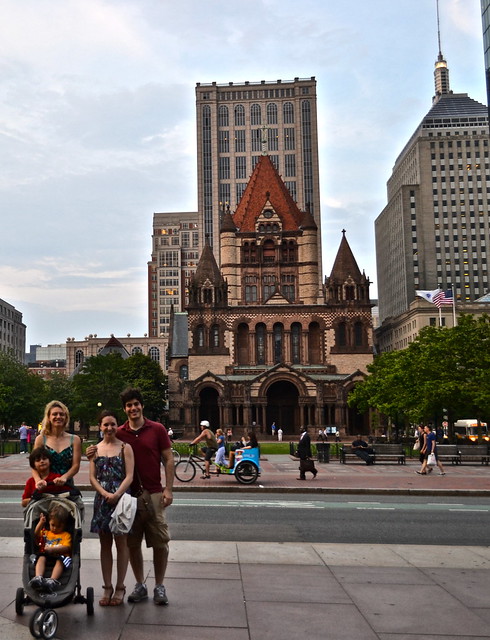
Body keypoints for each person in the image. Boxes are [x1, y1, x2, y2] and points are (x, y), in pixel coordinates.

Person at [89, 411, 135, 607]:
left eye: (113, 424)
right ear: (100, 426)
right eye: (106, 424)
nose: (109, 428)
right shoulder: (94, 450)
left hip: (121, 499)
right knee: (105, 544)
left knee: (121, 543)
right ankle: (107, 586)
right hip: (102, 499)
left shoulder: (125, 448)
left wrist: (116, 495)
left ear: (118, 426)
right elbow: (92, 477)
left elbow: (129, 476)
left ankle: (120, 586)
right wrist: (105, 494)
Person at [32, 401, 82, 490]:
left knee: (76, 504)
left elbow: (76, 466)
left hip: (67, 485)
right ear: (49, 417)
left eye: (61, 414)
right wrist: (38, 480)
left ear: (66, 418)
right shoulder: (41, 439)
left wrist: (64, 477)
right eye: (55, 414)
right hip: (46, 485)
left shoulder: (74, 439)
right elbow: (34, 464)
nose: (58, 417)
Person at [29, 503, 72, 593]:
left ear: (64, 525)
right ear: (49, 522)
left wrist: (53, 549)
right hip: (46, 555)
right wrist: (41, 523)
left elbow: (67, 548)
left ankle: (52, 580)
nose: (55, 528)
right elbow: (36, 534)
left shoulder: (65, 535)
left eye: (59, 526)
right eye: (53, 525)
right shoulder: (47, 533)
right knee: (41, 557)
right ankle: (38, 577)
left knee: (61, 561)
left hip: (60, 556)